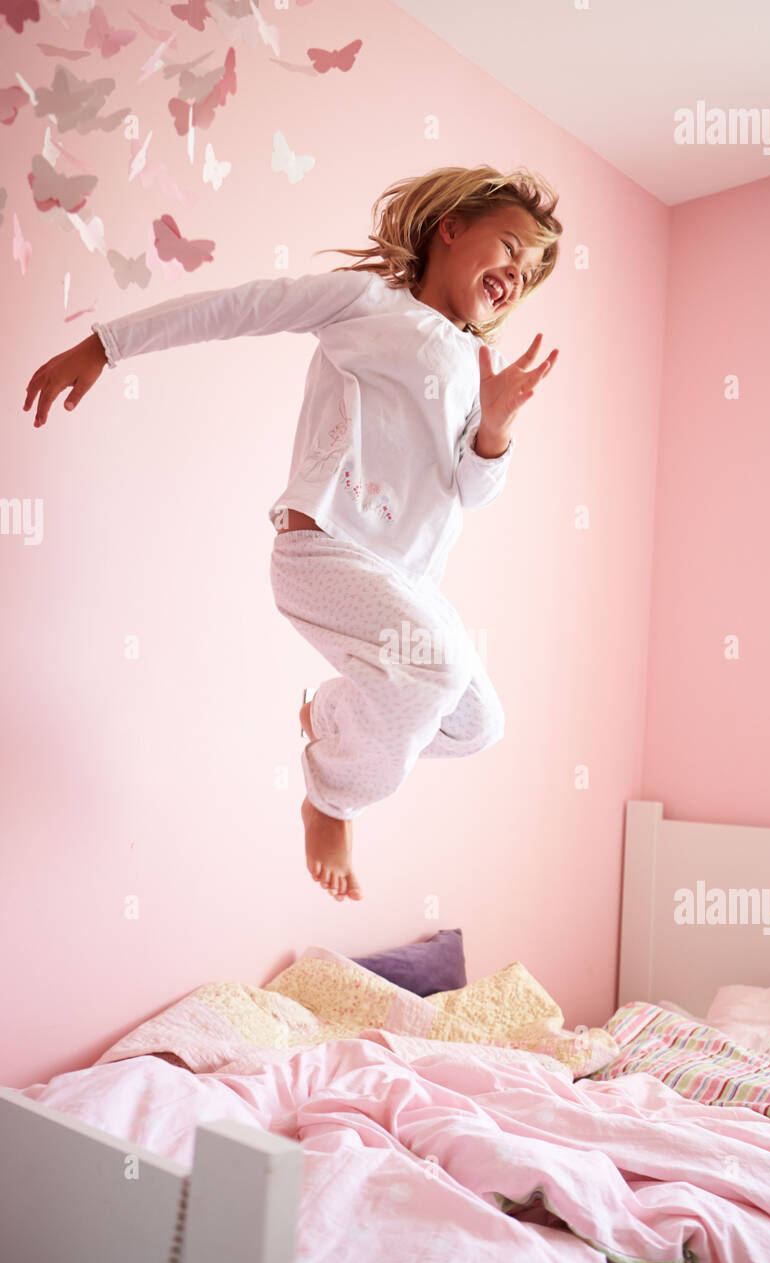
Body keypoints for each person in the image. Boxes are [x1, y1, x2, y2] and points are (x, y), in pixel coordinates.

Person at [23, 165, 562, 904]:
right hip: (325, 550)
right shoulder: (367, 302)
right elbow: (236, 308)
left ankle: (331, 714)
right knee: (435, 672)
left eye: (528, 274)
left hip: (404, 585)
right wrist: (105, 345)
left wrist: (495, 427)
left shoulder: (477, 365)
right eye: (509, 247)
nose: (515, 274)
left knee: (479, 724)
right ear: (451, 229)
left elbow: (470, 489)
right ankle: (329, 799)